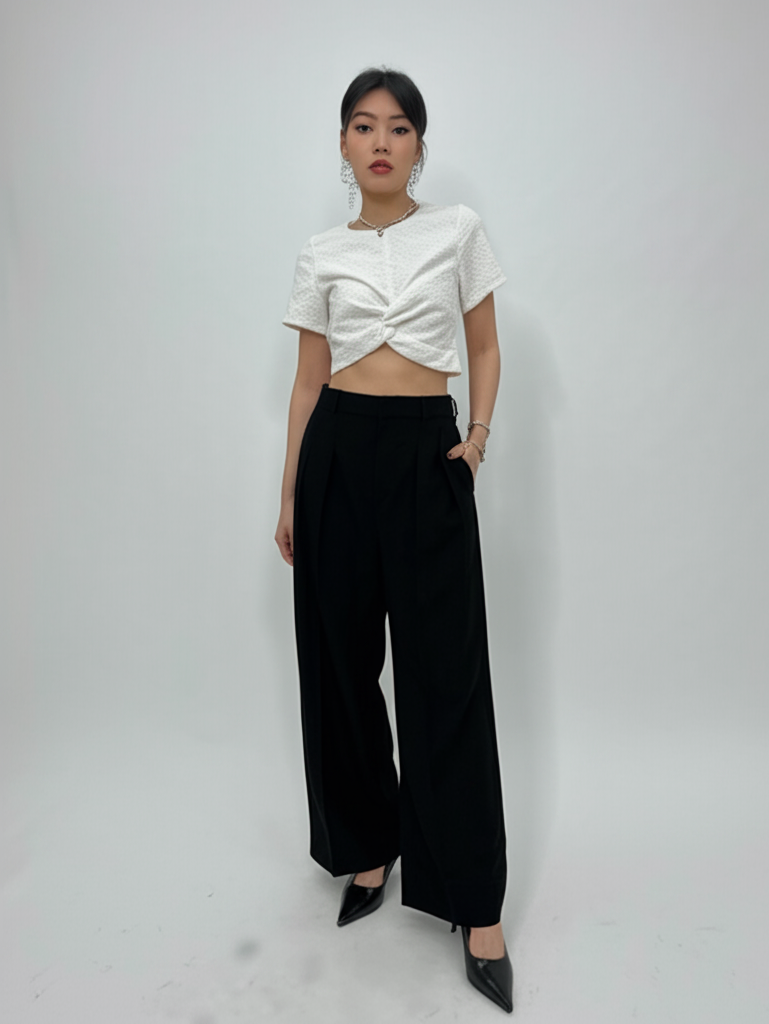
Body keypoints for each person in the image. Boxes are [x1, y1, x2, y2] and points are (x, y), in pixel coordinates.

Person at [275, 65, 513, 1013]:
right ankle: (369, 849)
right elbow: (306, 381)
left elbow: (484, 345)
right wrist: (289, 495)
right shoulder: (319, 251)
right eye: (364, 125)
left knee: (444, 677)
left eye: (399, 126)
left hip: (425, 452)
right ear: (343, 144)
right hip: (336, 454)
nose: (381, 140)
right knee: (341, 668)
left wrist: (475, 442)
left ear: (418, 144)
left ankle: (475, 904)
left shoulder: (455, 230)